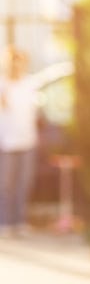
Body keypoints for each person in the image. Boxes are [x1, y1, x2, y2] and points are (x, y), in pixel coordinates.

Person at [0, 47, 39, 237]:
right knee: (6, 184)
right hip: (7, 142)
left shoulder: (29, 84)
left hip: (27, 141)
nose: (18, 66)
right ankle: (5, 223)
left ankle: (20, 221)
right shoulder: (3, 85)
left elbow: (34, 111)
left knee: (24, 183)